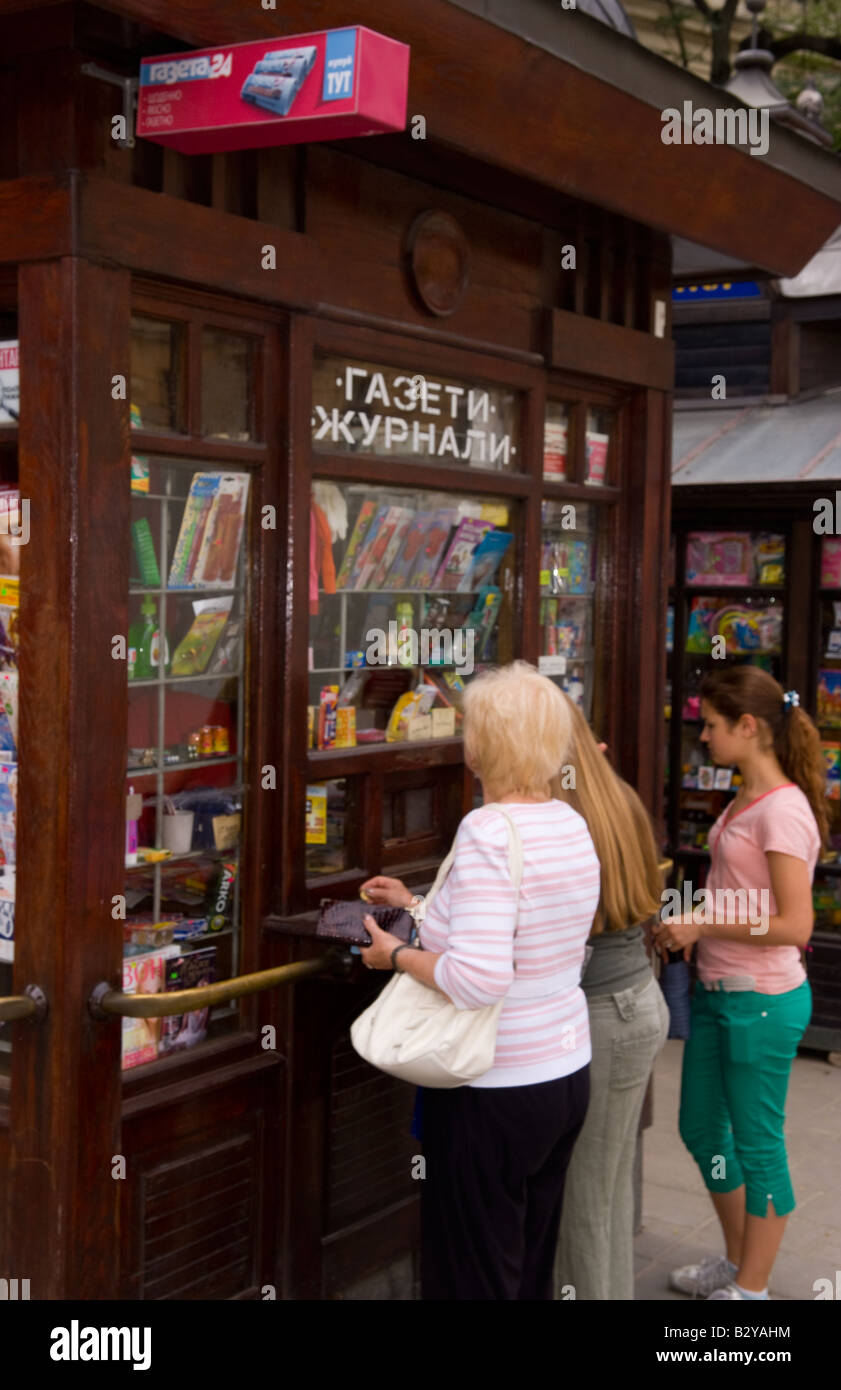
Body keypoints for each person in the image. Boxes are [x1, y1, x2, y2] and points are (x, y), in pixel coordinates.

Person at [358, 661, 601, 1300]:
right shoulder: (569, 823)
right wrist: (418, 908)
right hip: (564, 1071)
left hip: (492, 1084)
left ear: (484, 744)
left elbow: (478, 977)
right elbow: (534, 937)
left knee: (472, 1274)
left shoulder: (489, 830)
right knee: (527, 1265)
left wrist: (394, 957)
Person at [653, 667, 825, 1301]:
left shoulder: (782, 811)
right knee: (703, 1129)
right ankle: (735, 1258)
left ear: (749, 728)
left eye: (712, 725)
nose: (702, 735)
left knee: (758, 1144)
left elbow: (794, 923)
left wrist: (702, 921)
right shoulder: (745, 799)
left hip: (762, 1002)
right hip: (720, 994)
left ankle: (751, 1291)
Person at [552, 698, 670, 1300]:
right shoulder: (615, 796)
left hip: (602, 1015)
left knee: (586, 1204)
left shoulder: (565, 814)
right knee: (608, 1189)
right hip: (632, 1002)